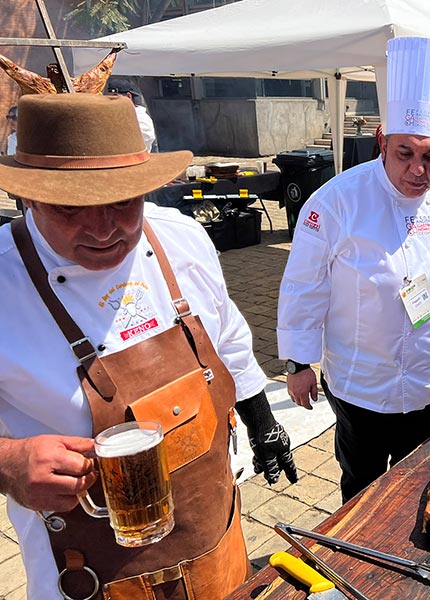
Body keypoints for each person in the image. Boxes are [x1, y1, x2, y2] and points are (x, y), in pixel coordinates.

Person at [0, 93, 297, 599]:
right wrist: (7, 464)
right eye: (71, 207)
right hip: (92, 576)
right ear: (28, 197)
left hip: (216, 545)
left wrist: (261, 418)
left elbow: (228, 340)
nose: (103, 227)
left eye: (123, 199)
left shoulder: (181, 239)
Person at [277, 37, 430, 504]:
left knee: (422, 482)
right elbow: (304, 286)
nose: (418, 169)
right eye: (405, 154)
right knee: (361, 485)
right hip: (362, 384)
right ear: (383, 141)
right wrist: (299, 363)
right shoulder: (337, 201)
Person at [108, 82, 157, 151]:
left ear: (128, 96)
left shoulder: (140, 118)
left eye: (115, 98)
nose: (111, 102)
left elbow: (144, 141)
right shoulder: (115, 116)